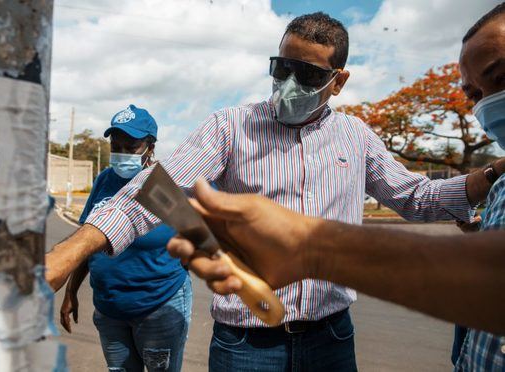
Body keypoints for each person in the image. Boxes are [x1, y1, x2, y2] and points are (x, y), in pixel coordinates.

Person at [46, 13, 496, 371]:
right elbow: (153, 191)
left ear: (338, 81)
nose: (289, 84)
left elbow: (415, 197)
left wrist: (489, 177)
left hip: (331, 338)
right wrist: (66, 256)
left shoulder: (356, 136)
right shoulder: (230, 127)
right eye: (282, 68)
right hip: (245, 344)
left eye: (307, 74)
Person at [59, 105, 192, 372]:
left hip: (159, 308)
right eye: (115, 145)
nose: (120, 153)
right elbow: (88, 241)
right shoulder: (104, 180)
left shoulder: (165, 186)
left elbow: (193, 243)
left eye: (129, 147)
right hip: (110, 311)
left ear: (150, 148)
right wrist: (71, 291)